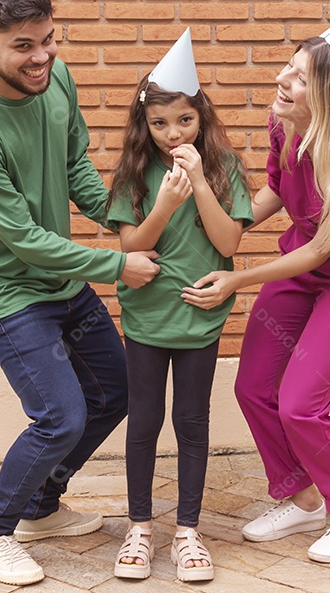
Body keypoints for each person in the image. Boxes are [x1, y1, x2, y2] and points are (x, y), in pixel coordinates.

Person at [0, 0, 160, 586]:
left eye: (48, 40)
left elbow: (75, 170)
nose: (41, 57)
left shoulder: (56, 79)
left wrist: (126, 219)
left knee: (115, 392)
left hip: (61, 281)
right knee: (60, 415)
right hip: (6, 294)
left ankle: (40, 507)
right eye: (23, 46)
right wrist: (118, 265)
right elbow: (24, 238)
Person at [182, 0, 330, 563]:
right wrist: (230, 222)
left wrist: (239, 278)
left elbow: (321, 248)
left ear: (329, 98)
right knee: (254, 388)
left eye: (300, 78)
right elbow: (278, 191)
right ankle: (302, 498)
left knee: (301, 405)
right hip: (301, 270)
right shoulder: (285, 125)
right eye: (289, 66)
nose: (283, 79)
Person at [105, 30, 252, 582]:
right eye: (160, 123)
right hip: (146, 317)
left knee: (191, 421)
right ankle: (140, 528)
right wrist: (165, 202)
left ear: (201, 117)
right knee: (143, 421)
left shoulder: (225, 167)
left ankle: (188, 531)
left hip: (200, 318)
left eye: (185, 120)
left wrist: (198, 182)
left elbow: (229, 241)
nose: (173, 133)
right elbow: (131, 245)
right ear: (144, 124)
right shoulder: (133, 173)